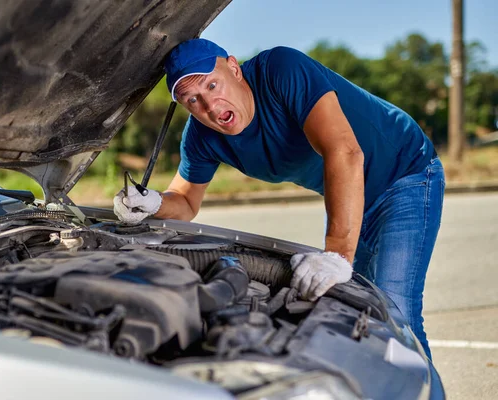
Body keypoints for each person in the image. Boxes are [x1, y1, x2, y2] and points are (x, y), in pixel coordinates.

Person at [113, 38, 444, 360]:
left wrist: (337, 256)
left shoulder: (280, 71)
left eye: (213, 86)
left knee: (396, 309)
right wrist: (152, 204)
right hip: (355, 198)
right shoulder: (201, 137)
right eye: (193, 99)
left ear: (234, 68)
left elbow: (344, 151)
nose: (210, 107)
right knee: (362, 312)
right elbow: (185, 202)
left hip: (405, 173)